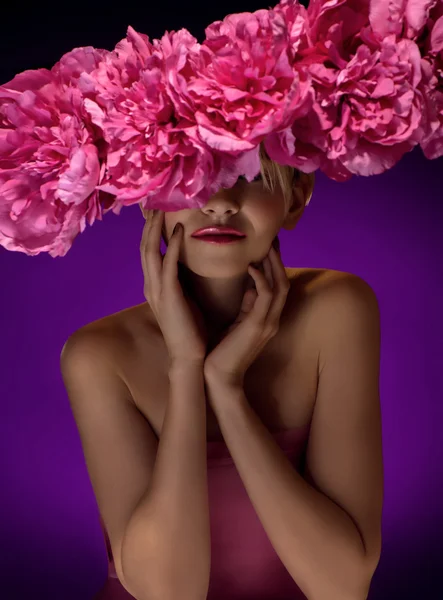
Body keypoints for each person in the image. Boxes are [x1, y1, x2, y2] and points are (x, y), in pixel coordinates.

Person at [60, 141, 383, 600]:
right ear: (149, 195)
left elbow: (343, 587)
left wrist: (227, 389)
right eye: (189, 175)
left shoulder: (337, 311)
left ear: (296, 196)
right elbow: (167, 594)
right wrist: (187, 368)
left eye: (250, 176)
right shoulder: (98, 355)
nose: (219, 203)